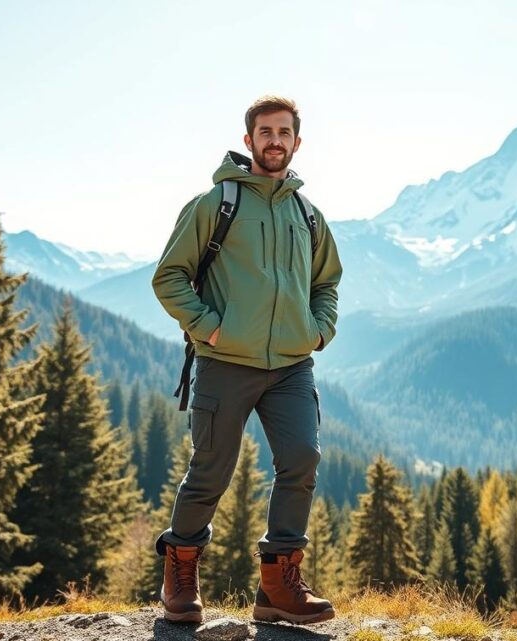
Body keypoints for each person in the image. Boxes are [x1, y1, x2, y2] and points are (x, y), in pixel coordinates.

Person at [151, 95, 342, 625]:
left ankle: (279, 587)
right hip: (225, 363)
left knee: (301, 460)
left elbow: (326, 281)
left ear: (297, 142)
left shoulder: (307, 213)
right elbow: (168, 277)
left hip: (290, 366)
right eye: (265, 132)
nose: (275, 141)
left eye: (284, 132)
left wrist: (319, 331)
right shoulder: (217, 204)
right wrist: (208, 325)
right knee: (210, 471)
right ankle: (180, 575)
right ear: (249, 140)